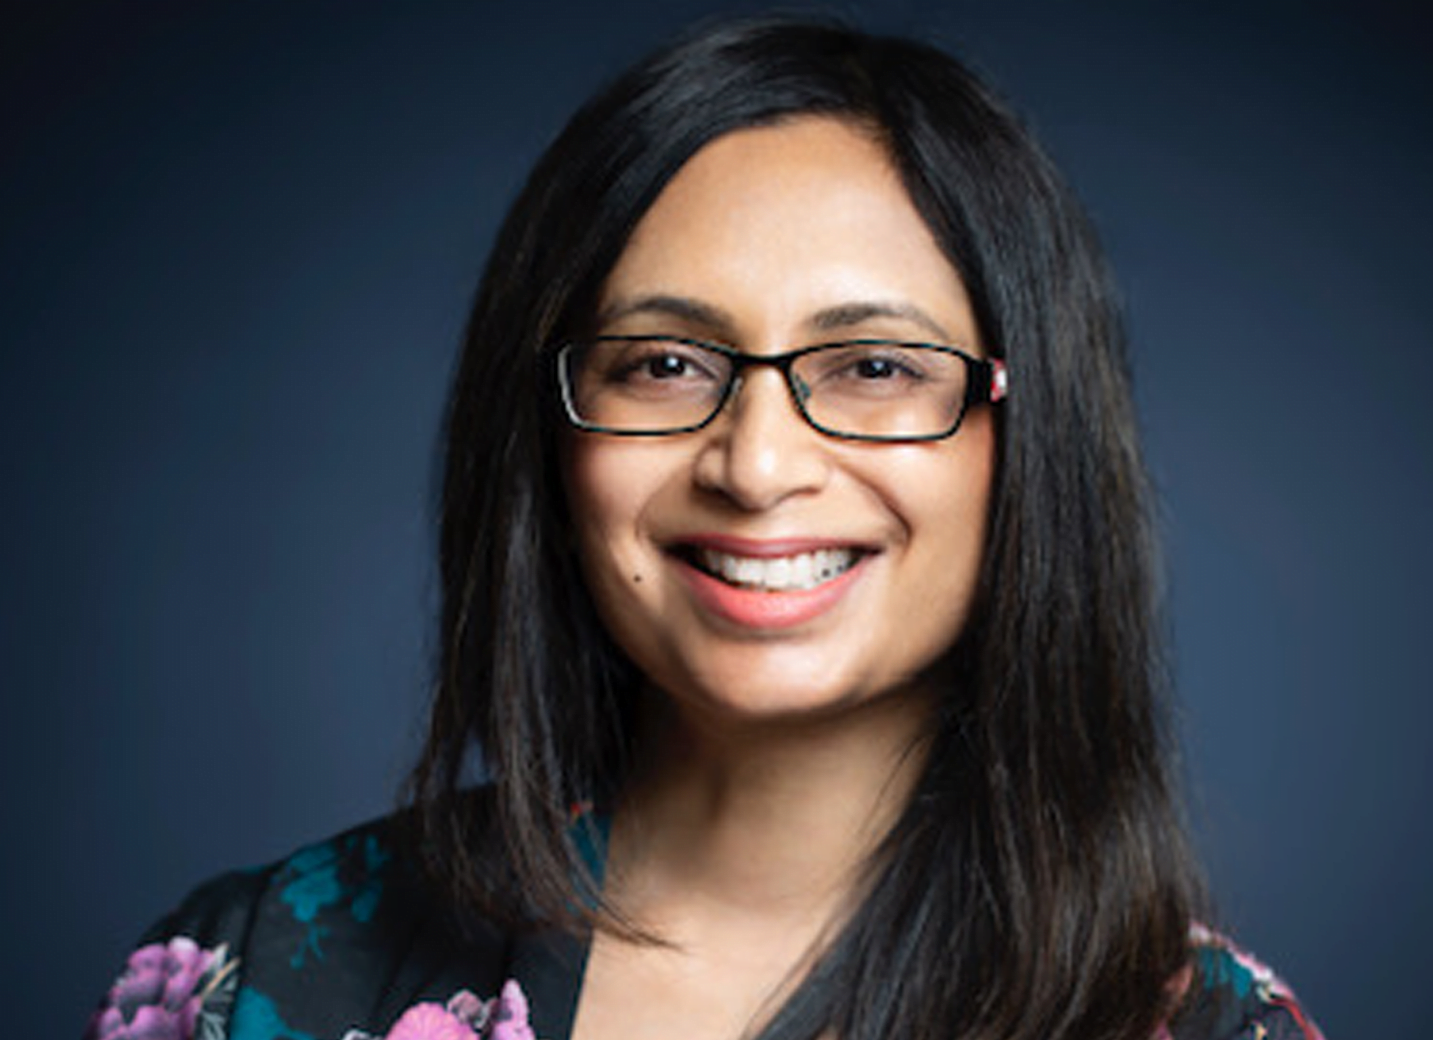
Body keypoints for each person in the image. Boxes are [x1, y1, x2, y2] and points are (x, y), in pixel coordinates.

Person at [85, 18, 1324, 1040]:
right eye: (666, 363)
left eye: (876, 365)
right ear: (552, 433)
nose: (757, 462)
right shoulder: (251, 972)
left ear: (1026, 428)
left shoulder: (1204, 1027)